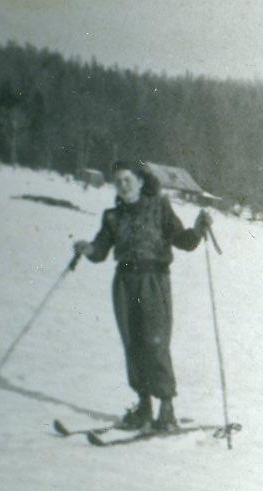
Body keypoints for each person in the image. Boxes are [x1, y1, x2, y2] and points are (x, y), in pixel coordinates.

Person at [74, 160, 211, 431]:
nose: (123, 185)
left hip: (153, 281)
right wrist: (86, 249)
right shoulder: (112, 216)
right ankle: (143, 406)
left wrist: (198, 229)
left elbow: (183, 241)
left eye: (128, 179)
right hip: (124, 283)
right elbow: (100, 251)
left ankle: (167, 409)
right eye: (118, 181)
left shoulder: (159, 207)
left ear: (140, 180)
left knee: (154, 341)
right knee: (132, 342)